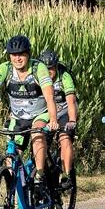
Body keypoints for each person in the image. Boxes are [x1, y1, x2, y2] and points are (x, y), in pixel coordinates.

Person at [0, 35, 58, 184]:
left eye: (21, 54)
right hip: (18, 117)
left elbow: (49, 97)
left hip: (40, 114)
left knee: (37, 135)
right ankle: (14, 193)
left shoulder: (38, 68)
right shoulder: (5, 69)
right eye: (14, 55)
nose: (17, 58)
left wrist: (54, 120)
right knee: (11, 155)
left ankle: (40, 176)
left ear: (28, 54)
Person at [40, 49, 78, 191]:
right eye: (46, 69)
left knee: (64, 138)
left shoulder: (64, 77)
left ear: (56, 67)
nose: (48, 72)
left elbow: (71, 101)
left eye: (51, 68)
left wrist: (72, 120)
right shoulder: (38, 77)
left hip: (64, 111)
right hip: (47, 114)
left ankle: (67, 175)